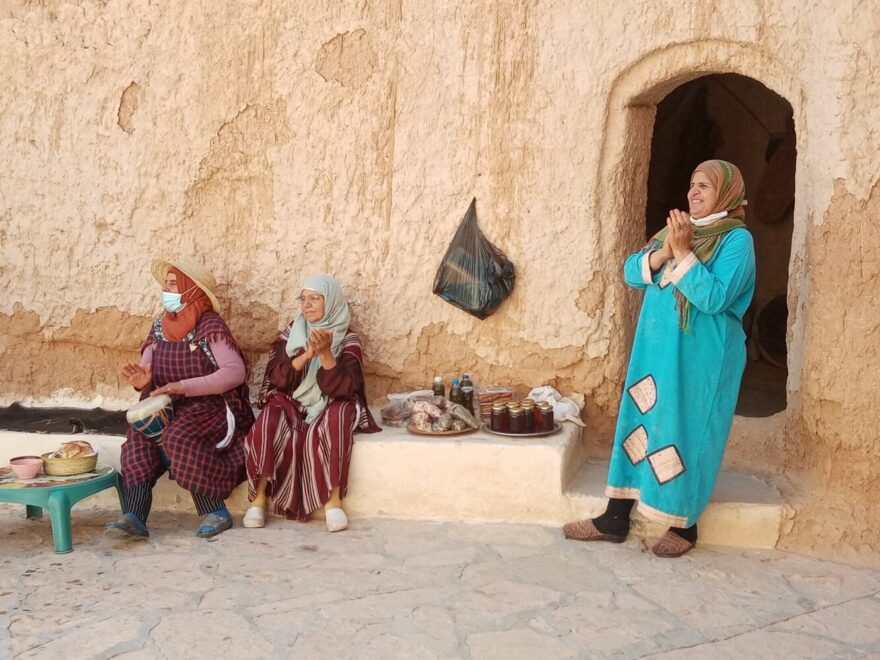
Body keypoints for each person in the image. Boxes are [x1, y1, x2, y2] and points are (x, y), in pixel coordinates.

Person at [564, 159, 756, 557]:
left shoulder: (737, 240)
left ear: (726, 193)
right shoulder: (677, 231)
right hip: (655, 351)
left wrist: (683, 254)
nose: (694, 192)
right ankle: (616, 515)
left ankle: (684, 527)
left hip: (702, 358)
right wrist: (664, 251)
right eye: (692, 184)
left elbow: (714, 298)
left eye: (705, 186)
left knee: (687, 430)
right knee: (641, 422)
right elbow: (632, 271)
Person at [107, 260, 255, 539]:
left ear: (191, 289)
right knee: (138, 440)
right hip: (169, 405)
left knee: (178, 437)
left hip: (209, 407)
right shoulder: (160, 325)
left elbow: (234, 373)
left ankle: (215, 511)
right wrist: (143, 381)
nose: (166, 288)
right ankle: (134, 515)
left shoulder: (210, 325)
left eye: (173, 283)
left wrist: (183, 387)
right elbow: (147, 369)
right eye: (167, 283)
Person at [242, 274, 380, 531]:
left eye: (315, 298)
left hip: (330, 400)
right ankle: (258, 500)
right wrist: (306, 355)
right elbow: (278, 378)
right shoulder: (292, 332)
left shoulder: (347, 338)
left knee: (339, 418)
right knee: (270, 417)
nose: (307, 305)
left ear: (331, 302)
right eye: (303, 299)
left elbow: (346, 388)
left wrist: (327, 354)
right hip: (294, 399)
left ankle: (333, 502)